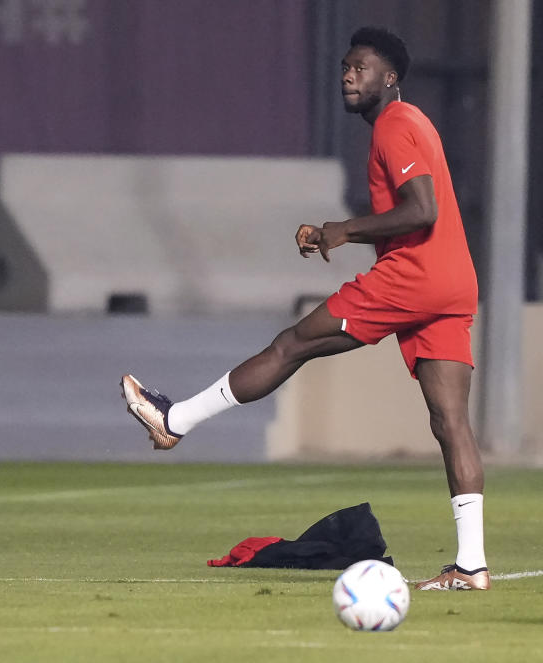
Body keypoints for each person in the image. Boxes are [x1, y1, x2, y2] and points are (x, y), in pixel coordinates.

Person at [121, 26, 488, 591]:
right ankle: (471, 565)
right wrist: (335, 233)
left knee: (292, 344)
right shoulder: (413, 123)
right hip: (454, 282)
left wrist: (343, 230)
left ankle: (175, 421)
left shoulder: (395, 124)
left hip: (415, 278)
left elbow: (422, 211)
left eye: (361, 67)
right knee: (451, 424)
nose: (348, 74)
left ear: (389, 79)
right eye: (345, 66)